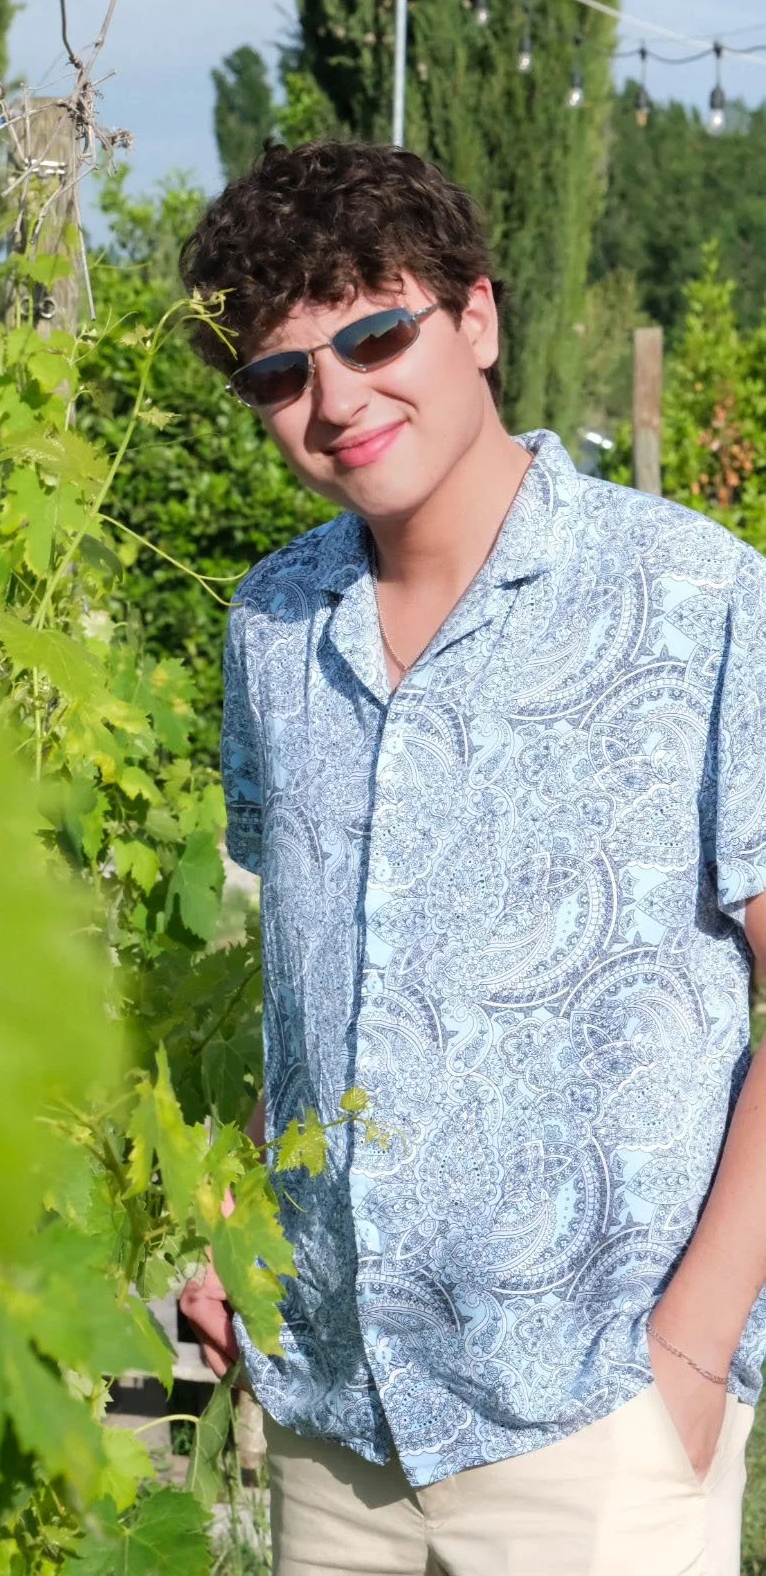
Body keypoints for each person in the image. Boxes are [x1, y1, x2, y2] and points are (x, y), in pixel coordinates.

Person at [175, 140, 766, 1576]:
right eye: (280, 373)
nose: (335, 400)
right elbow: (321, 978)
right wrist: (239, 1232)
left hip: (593, 1413)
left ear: (478, 318)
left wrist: (691, 1349)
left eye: (376, 335)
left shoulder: (695, 597)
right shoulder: (270, 625)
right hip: (330, 1410)